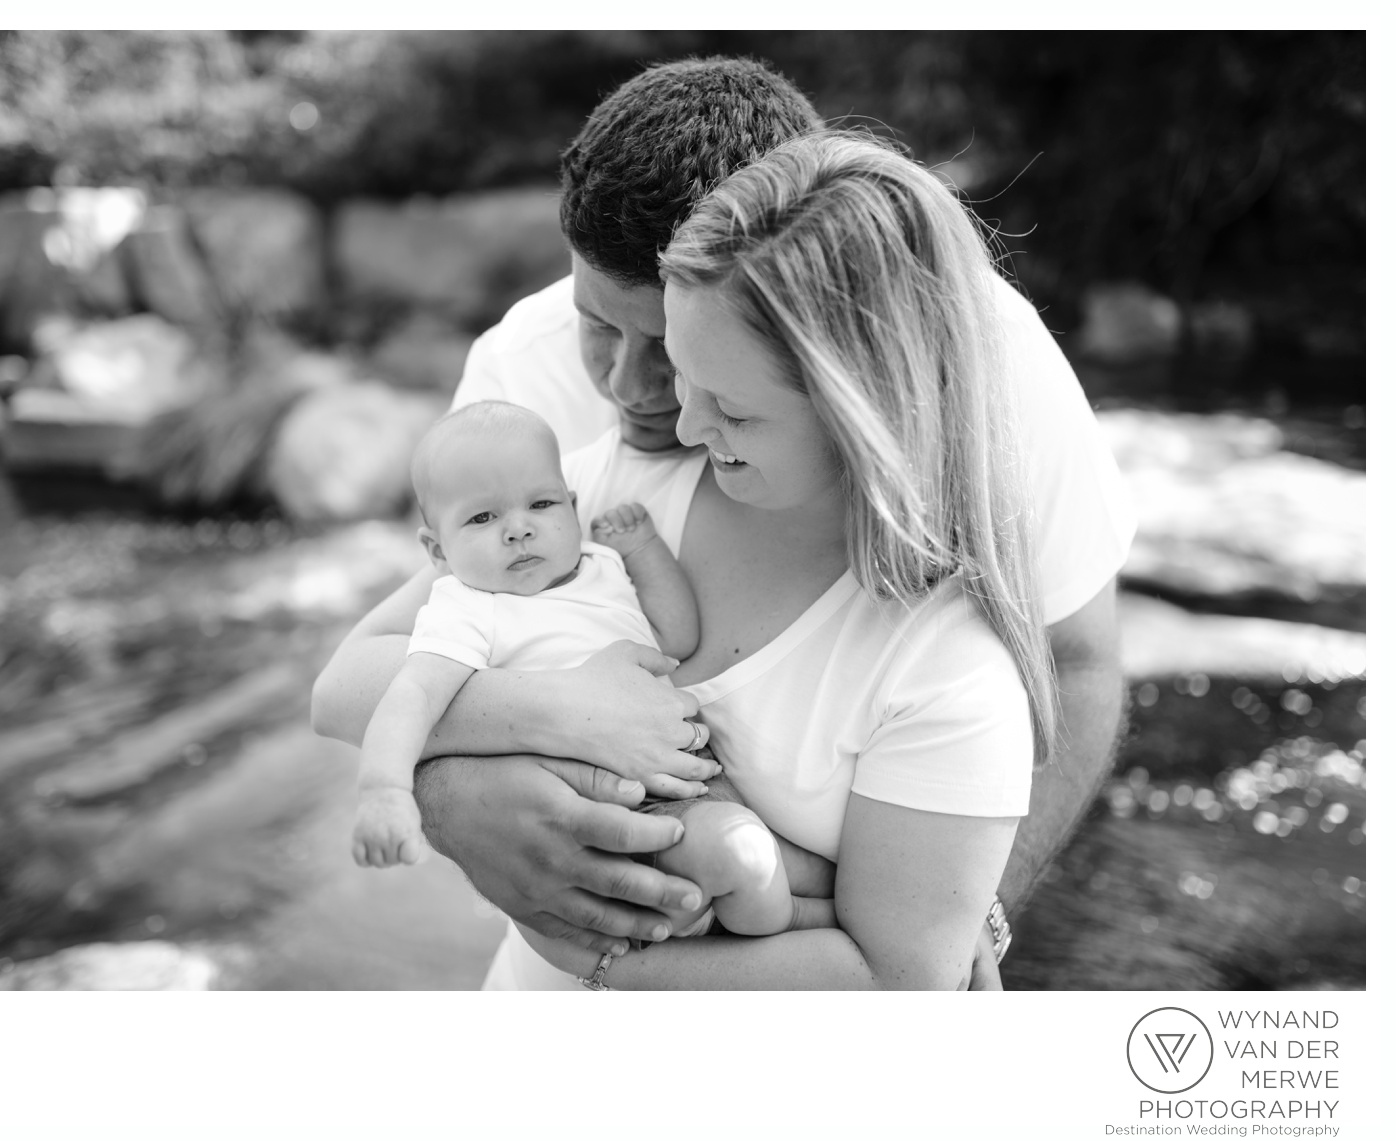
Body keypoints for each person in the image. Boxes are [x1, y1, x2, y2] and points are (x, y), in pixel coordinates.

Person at [311, 57, 1135, 983]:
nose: (631, 391)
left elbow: (1074, 665)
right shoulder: (549, 409)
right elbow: (398, 664)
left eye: (670, 349)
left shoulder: (981, 370)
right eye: (596, 324)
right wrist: (459, 793)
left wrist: (966, 907)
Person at [352, 400, 827, 942]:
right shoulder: (466, 607)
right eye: (483, 518)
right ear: (437, 549)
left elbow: (674, 639)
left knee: (787, 859)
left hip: (691, 773)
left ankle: (795, 913)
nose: (519, 529)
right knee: (735, 854)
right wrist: (383, 789)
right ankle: (791, 922)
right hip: (599, 807)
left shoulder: (601, 566)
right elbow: (413, 693)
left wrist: (643, 551)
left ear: (572, 508)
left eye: (541, 503)